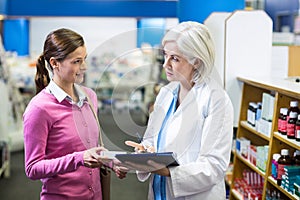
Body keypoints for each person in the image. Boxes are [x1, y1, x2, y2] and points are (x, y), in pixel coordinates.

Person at [123, 21, 234, 199]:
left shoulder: (215, 99)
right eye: (165, 56)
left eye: (174, 58)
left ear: (196, 61)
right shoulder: (166, 93)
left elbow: (214, 166)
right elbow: (152, 137)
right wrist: (145, 152)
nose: (165, 64)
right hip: (160, 191)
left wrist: (166, 171)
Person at [23, 28, 126, 200]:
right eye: (77, 61)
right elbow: (32, 168)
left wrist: (111, 161)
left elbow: (91, 149)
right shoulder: (39, 108)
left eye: (84, 59)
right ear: (55, 63)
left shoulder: (90, 97)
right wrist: (78, 159)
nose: (84, 67)